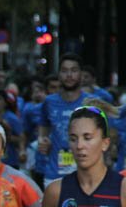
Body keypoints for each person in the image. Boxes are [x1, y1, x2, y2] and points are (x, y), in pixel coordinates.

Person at [38, 54, 92, 182]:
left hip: (85, 175)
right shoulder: (49, 102)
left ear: (81, 74)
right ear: (59, 74)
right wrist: (43, 140)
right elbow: (43, 126)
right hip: (54, 175)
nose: (69, 75)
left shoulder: (91, 103)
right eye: (64, 71)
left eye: (73, 70)